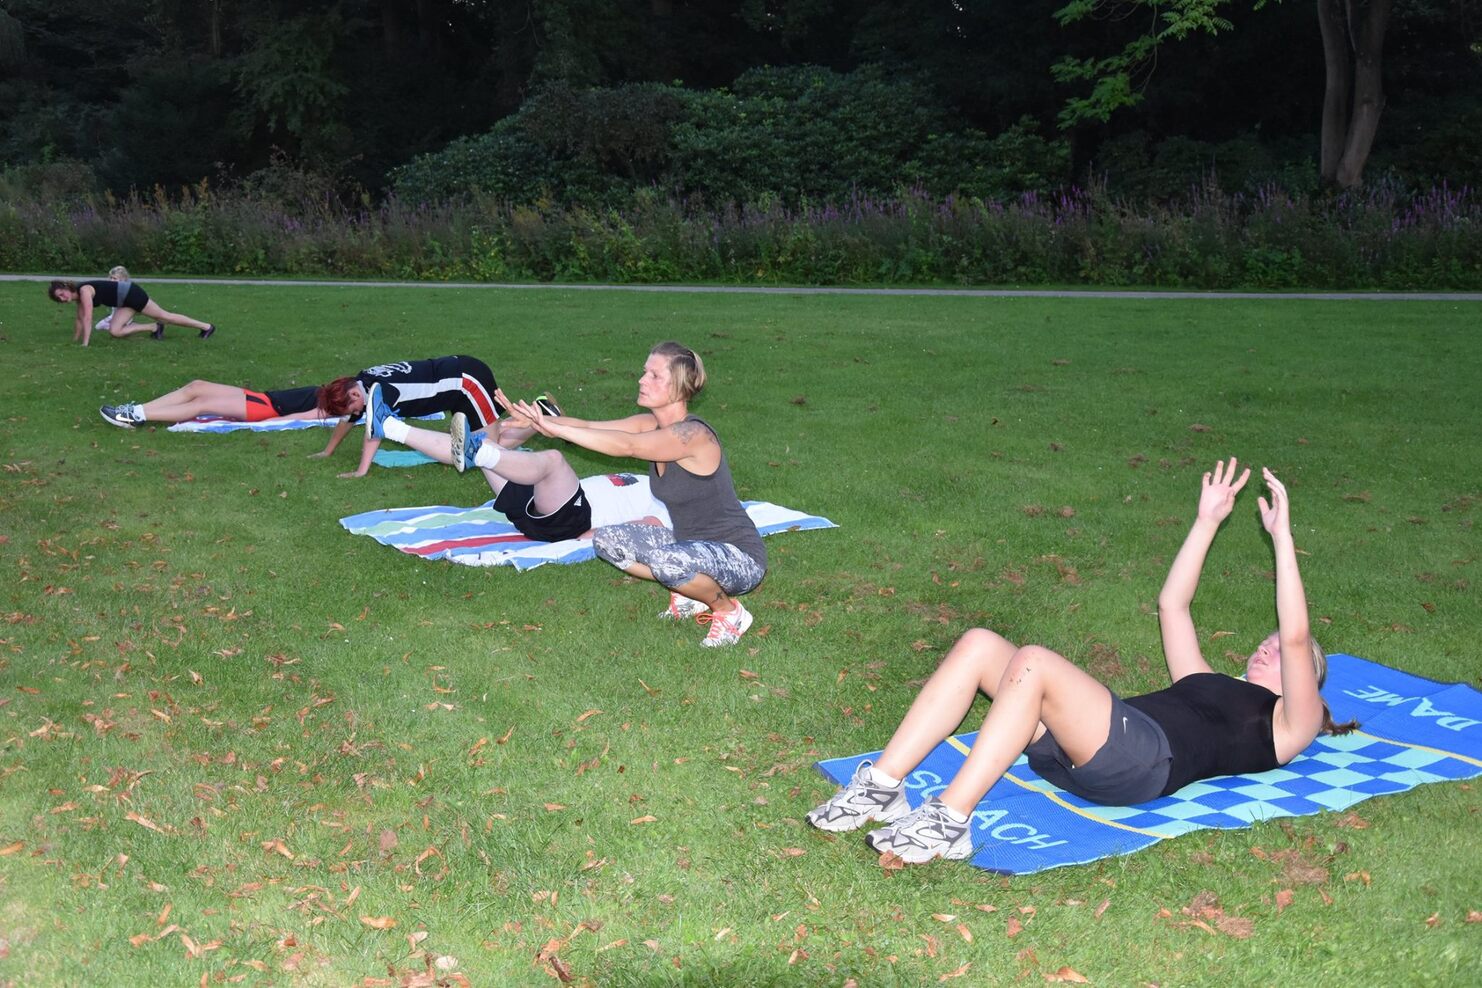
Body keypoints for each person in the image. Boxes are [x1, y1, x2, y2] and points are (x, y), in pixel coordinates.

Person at [806, 458, 1359, 864]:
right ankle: (882, 784)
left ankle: (950, 818)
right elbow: (1173, 605)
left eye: (1287, 655)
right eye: (1262, 643)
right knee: (979, 643)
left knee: (1037, 663)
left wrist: (1282, 537)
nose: (1269, 647)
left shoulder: (1291, 722)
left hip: (1144, 764)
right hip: (1082, 749)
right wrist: (1207, 521)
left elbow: (1295, 635)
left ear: (1307, 681)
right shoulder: (1208, 681)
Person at [497, 341, 767, 648]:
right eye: (644, 372)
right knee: (607, 541)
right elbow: (590, 426)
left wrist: (555, 429)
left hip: (738, 557)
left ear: (678, 387)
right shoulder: (650, 424)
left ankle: (728, 611)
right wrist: (539, 421)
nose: (642, 379)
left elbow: (628, 446)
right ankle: (691, 594)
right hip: (689, 547)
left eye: (654, 375)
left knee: (668, 562)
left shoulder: (694, 435)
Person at [357, 393, 673, 541]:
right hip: (542, 506)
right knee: (486, 442)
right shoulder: (656, 474)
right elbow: (593, 426)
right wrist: (542, 420)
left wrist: (589, 537)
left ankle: (477, 453)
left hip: (568, 519)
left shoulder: (681, 502)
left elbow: (649, 527)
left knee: (553, 460)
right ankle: (389, 426)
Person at [312, 355, 522, 479]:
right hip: (459, 380)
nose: (356, 414)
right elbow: (347, 420)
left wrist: (361, 471)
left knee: (487, 453)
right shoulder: (361, 381)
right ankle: (532, 418)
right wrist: (327, 451)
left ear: (355, 394)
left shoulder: (381, 391)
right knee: (480, 448)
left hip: (468, 382)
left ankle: (540, 417)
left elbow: (374, 432)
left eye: (354, 409)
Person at [48, 275, 216, 345]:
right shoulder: (78, 297)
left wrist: (85, 344)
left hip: (132, 295)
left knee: (166, 316)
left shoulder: (84, 291)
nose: (63, 299)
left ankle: (207, 327)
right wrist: (74, 341)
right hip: (124, 302)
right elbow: (79, 319)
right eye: (59, 299)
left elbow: (87, 318)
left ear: (66, 287)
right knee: (115, 331)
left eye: (62, 294)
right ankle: (154, 327)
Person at [98, 380, 327, 429]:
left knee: (201, 403)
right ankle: (138, 410)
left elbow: (306, 416)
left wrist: (267, 423)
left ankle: (138, 417)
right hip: (261, 396)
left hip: (265, 408)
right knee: (195, 386)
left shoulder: (333, 407)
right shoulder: (348, 389)